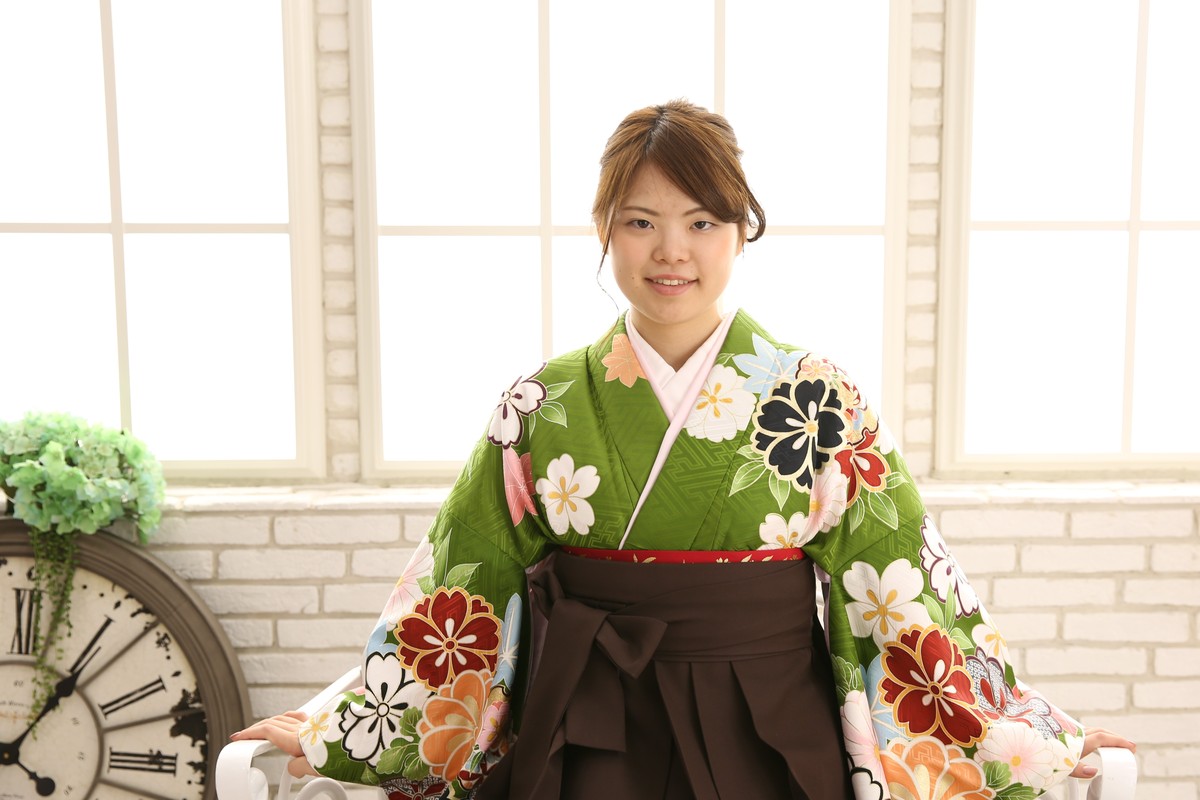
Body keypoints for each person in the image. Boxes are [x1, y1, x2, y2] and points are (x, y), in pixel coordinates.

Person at [232, 100, 1135, 799]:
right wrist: (342, 724)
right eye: (640, 222)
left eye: (702, 222)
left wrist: (1021, 732)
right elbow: (462, 582)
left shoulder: (817, 397)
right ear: (604, 228)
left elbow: (898, 582)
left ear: (741, 231)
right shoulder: (540, 404)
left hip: (767, 727)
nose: (672, 251)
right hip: (588, 727)